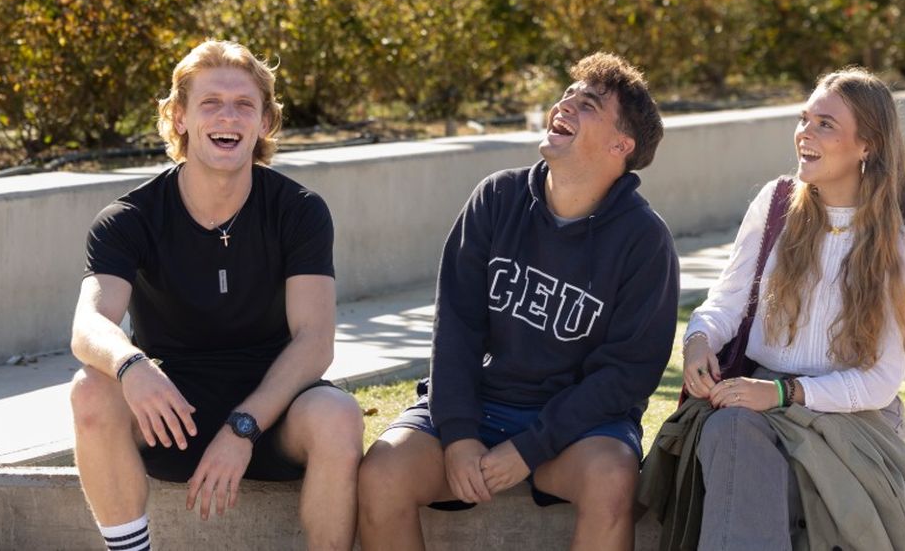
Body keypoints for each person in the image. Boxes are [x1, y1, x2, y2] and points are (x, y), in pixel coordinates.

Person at [357, 52, 679, 551]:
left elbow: (626, 375)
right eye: (568, 93)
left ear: (622, 144)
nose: (566, 103)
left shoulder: (644, 240)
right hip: (480, 406)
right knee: (382, 471)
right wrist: (460, 434)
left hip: (576, 427)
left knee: (612, 481)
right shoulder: (497, 198)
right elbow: (456, 327)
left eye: (589, 103)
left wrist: (530, 447)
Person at [68, 39, 363, 551]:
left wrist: (242, 429)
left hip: (273, 411)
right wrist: (132, 367)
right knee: (90, 389)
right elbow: (89, 324)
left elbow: (315, 343)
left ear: (265, 122)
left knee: (339, 417)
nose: (228, 117)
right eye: (210, 103)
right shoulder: (129, 219)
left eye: (244, 104)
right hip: (172, 410)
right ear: (179, 117)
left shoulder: (299, 211)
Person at [650, 66, 905, 551]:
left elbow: (880, 381)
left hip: (853, 421)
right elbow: (725, 302)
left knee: (759, 481)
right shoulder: (775, 205)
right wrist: (699, 341)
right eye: (804, 119)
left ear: (867, 146)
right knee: (729, 431)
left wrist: (785, 394)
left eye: (825, 124)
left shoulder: (900, 246)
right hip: (753, 404)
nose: (804, 133)